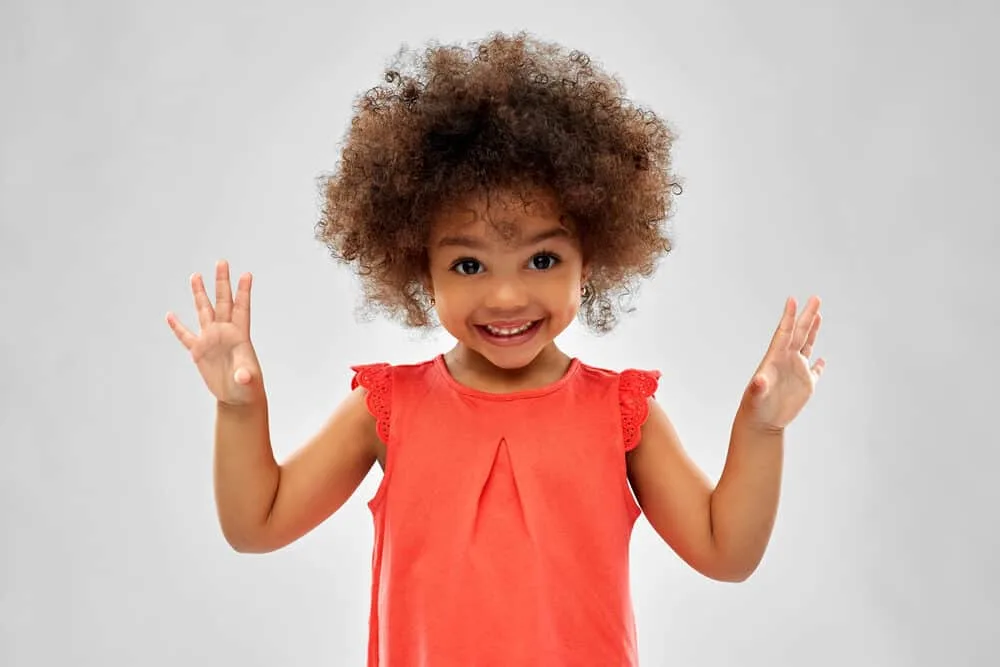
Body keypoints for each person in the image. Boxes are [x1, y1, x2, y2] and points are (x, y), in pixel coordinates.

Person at [165, 31, 825, 667]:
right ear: (419, 268)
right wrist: (239, 406)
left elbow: (725, 550)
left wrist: (761, 427)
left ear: (589, 258)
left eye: (541, 258)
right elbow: (258, 522)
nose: (507, 296)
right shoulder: (387, 407)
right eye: (469, 266)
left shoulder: (621, 414)